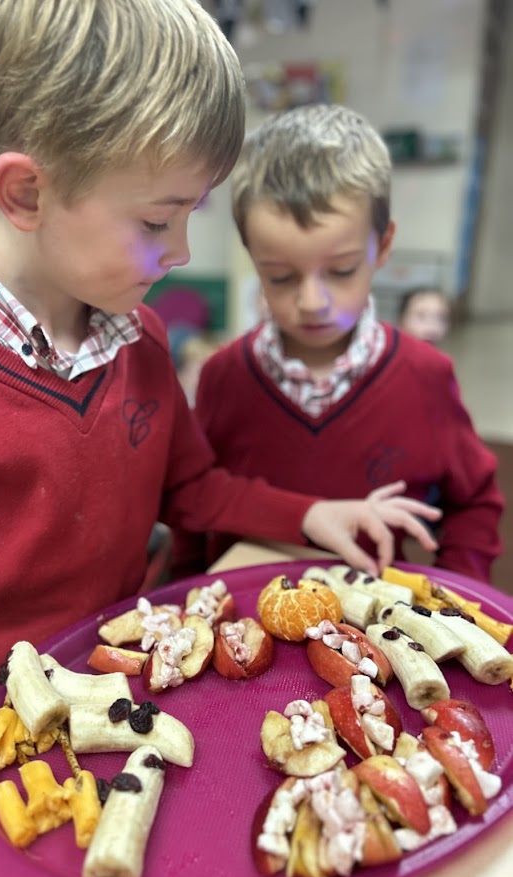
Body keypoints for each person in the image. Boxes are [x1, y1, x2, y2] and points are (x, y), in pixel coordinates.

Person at [0, 3, 440, 877]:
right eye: (158, 221)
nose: (182, 249)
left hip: (121, 687)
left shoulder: (141, 339)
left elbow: (192, 489)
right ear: (26, 193)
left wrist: (314, 512)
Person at [172, 103, 502, 584]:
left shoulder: (424, 375)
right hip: (244, 623)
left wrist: (458, 586)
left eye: (342, 270)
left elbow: (474, 500)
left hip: (372, 628)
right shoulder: (224, 377)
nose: (312, 302)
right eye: (280, 276)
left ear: (382, 247)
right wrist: (184, 586)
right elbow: (194, 503)